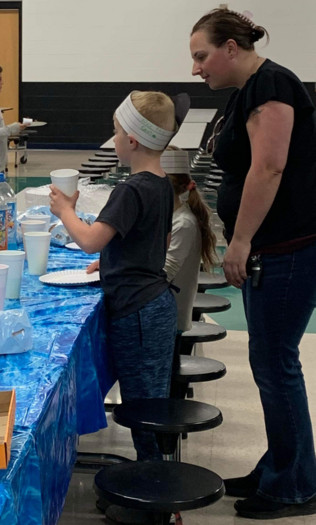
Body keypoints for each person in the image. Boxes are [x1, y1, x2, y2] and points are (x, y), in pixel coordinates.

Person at [190, 8, 316, 519]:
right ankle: (281, 466)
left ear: (232, 49)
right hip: (275, 246)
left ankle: (294, 485)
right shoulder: (249, 91)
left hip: (287, 246)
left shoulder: (272, 84)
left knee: (277, 364)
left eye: (202, 56)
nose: (197, 68)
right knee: (269, 364)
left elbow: (269, 166)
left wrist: (239, 242)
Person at [50, 91, 177, 463]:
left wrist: (65, 211)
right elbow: (156, 239)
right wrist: (114, 261)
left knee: (143, 406)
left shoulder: (131, 188)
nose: (114, 138)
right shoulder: (161, 182)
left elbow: (89, 240)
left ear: (132, 140)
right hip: (153, 302)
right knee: (151, 397)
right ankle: (155, 477)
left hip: (138, 311)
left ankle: (153, 492)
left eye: (116, 131)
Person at [161, 148, 217, 333]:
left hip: (169, 318)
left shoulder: (184, 223)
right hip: (162, 313)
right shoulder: (169, 215)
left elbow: (163, 275)